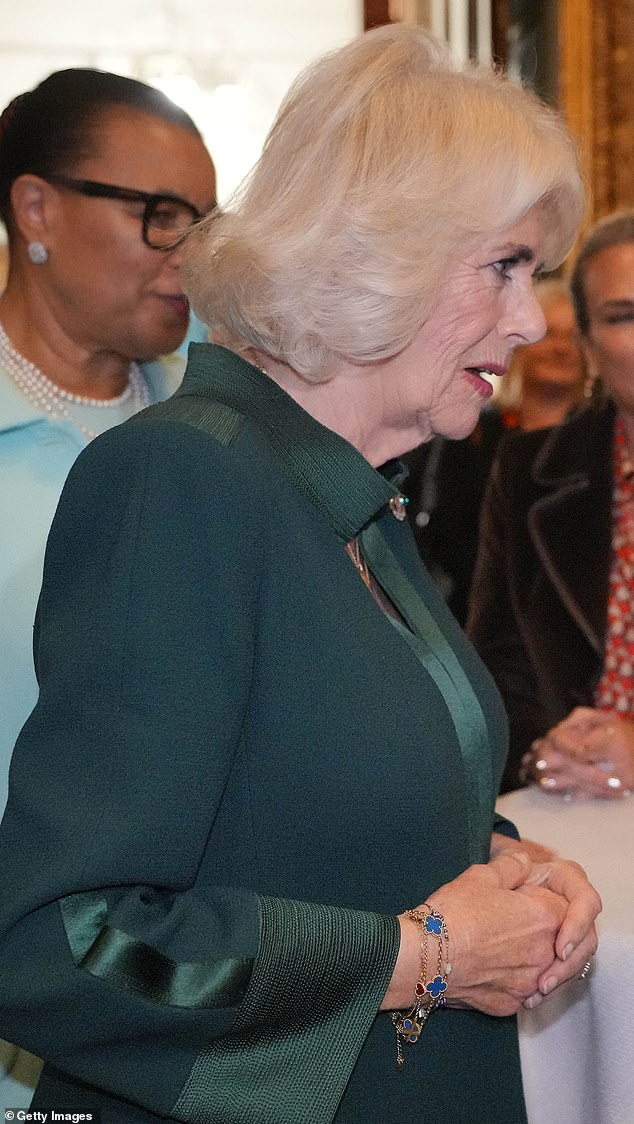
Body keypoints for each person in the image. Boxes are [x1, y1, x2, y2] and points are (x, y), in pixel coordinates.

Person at [0, 26, 600, 1124]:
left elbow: (318, 816)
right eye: (504, 267)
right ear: (379, 254)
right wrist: (430, 953)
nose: (528, 319)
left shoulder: (349, 488)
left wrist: (510, 867)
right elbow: (60, 939)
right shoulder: (181, 479)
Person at [0, 67, 215, 1112]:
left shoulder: (226, 430)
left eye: (208, 222)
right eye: (162, 216)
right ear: (35, 208)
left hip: (193, 987)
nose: (194, 253)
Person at [468, 211, 634, 797]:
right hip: (563, 809)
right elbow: (497, 664)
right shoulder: (527, 471)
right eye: (624, 316)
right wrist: (547, 757)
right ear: (587, 344)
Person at [404, 279, 585, 624]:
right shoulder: (473, 431)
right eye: (549, 334)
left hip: (572, 629)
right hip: (470, 619)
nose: (561, 348)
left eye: (574, 337)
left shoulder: (601, 439)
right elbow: (446, 529)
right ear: (520, 345)